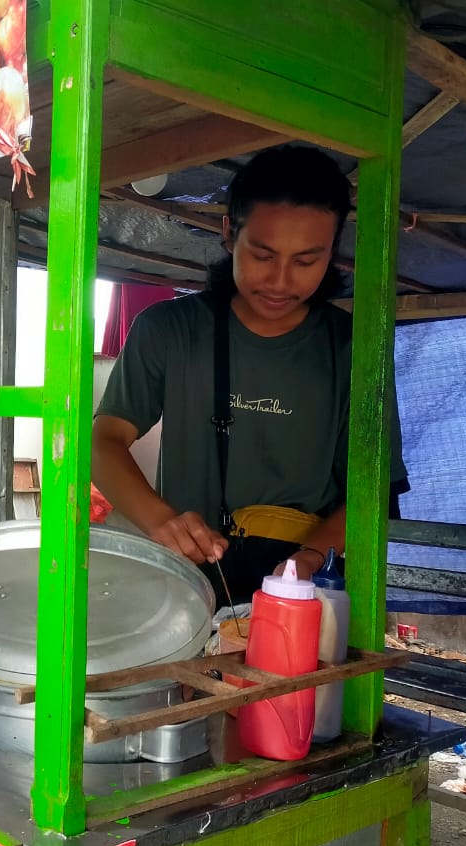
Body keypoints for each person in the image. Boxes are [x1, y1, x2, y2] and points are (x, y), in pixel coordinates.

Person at [92, 145, 407, 605]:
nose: (281, 281)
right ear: (228, 233)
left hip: (310, 586)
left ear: (333, 252)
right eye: (262, 254)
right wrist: (162, 521)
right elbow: (103, 441)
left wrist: (308, 561)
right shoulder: (169, 330)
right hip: (192, 582)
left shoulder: (357, 350)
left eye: (306, 261)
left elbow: (375, 494)